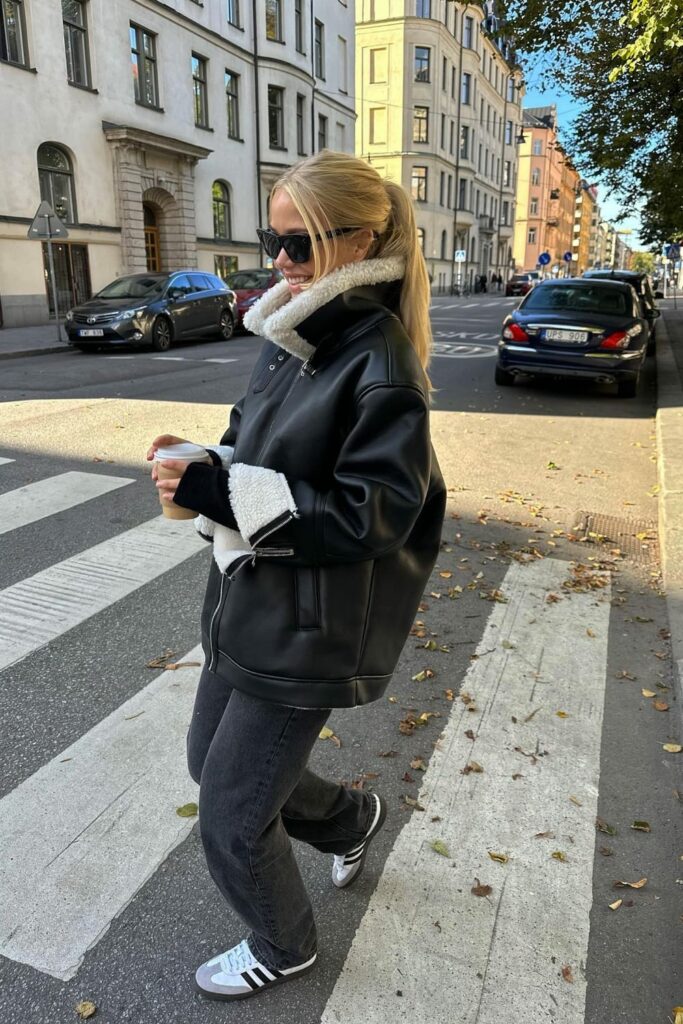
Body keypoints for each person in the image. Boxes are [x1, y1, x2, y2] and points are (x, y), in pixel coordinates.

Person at [147, 150, 446, 1003]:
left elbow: (372, 516)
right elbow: (252, 440)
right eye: (271, 239)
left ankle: (284, 945)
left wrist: (221, 492)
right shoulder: (295, 330)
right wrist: (201, 461)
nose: (280, 260)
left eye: (300, 243)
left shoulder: (378, 361)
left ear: (362, 241)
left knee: (231, 817)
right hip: (253, 598)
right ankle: (351, 819)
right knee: (211, 767)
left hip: (313, 624)